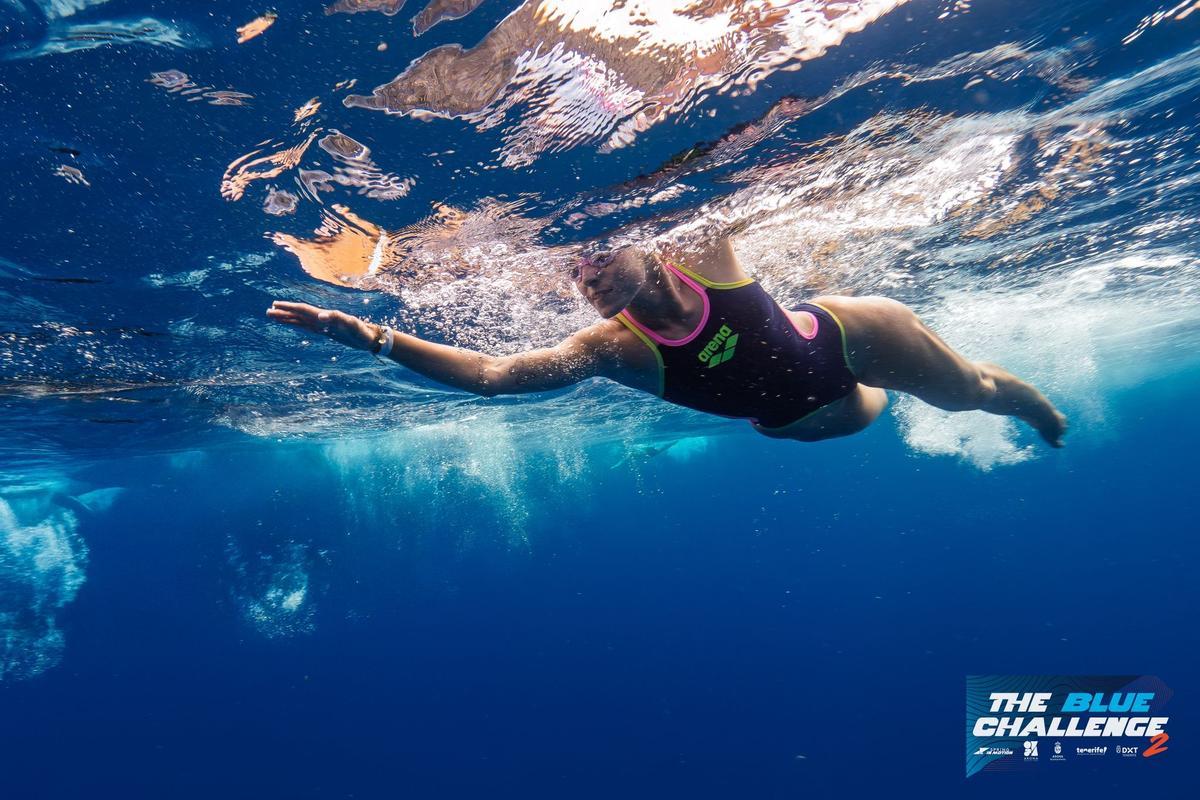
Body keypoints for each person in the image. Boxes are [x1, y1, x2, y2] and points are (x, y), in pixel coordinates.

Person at [266, 239, 1067, 446]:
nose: (590, 277)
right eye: (576, 274)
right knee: (861, 418)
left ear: (650, 247)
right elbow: (490, 374)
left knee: (970, 395)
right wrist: (370, 335)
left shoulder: (706, 253)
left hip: (853, 340)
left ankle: (1031, 407)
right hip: (808, 417)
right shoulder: (611, 349)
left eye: (600, 257)